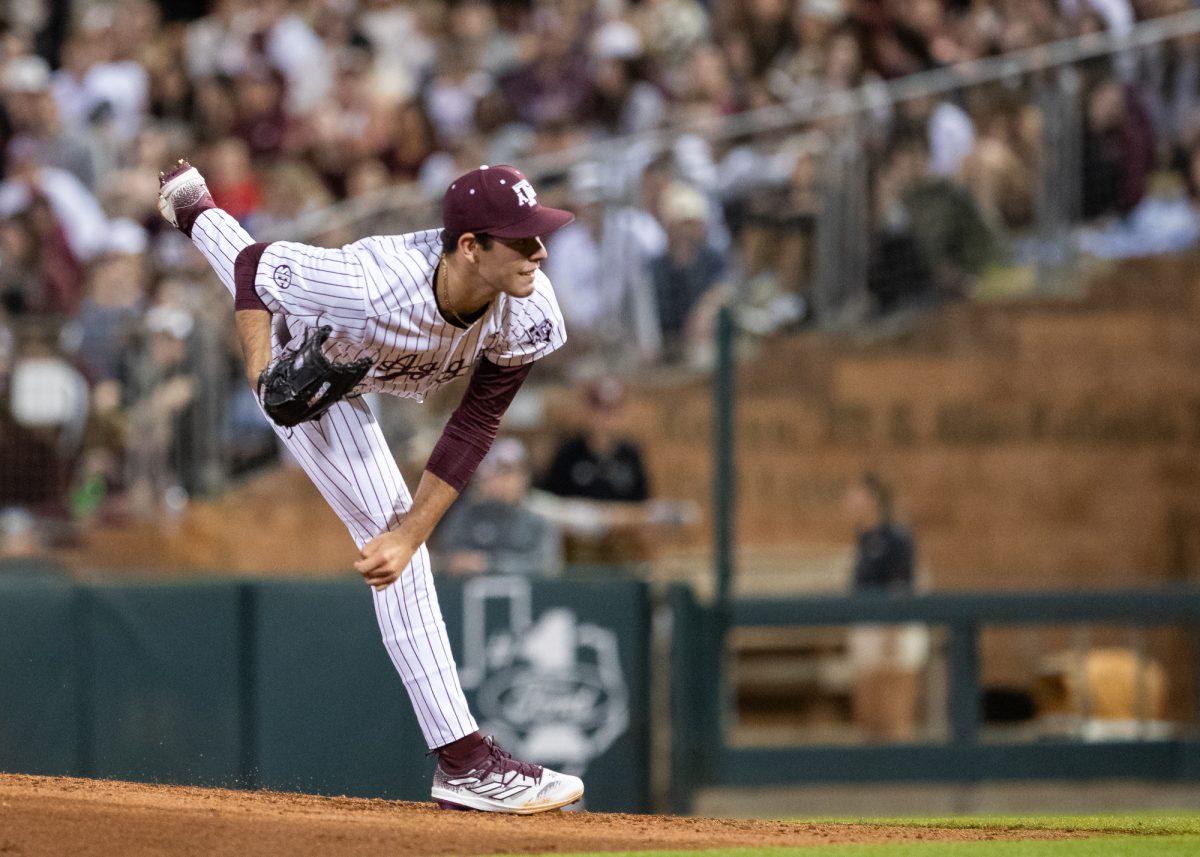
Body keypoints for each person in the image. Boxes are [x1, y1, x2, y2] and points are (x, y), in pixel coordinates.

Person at [156, 158, 583, 814]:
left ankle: (192, 210)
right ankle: (464, 762)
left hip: (367, 370)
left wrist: (418, 530)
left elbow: (476, 420)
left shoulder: (524, 307)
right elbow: (254, 270)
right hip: (314, 365)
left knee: (406, 535)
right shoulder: (367, 284)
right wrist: (265, 375)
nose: (540, 248)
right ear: (470, 247)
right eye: (523, 238)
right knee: (393, 534)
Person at [843, 472, 927, 743]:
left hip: (892, 630)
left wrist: (894, 631)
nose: (850, 500)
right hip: (866, 627)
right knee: (868, 712)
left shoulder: (896, 537)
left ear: (872, 499)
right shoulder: (865, 538)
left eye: (857, 494)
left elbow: (901, 587)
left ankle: (900, 774)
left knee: (893, 712)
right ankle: (873, 775)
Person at [434, 437, 561, 578]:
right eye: (496, 471)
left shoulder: (539, 521)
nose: (502, 480)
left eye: (509, 472)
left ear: (524, 477)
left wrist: (490, 564)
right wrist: (455, 563)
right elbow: (442, 560)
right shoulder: (462, 517)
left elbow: (547, 566)